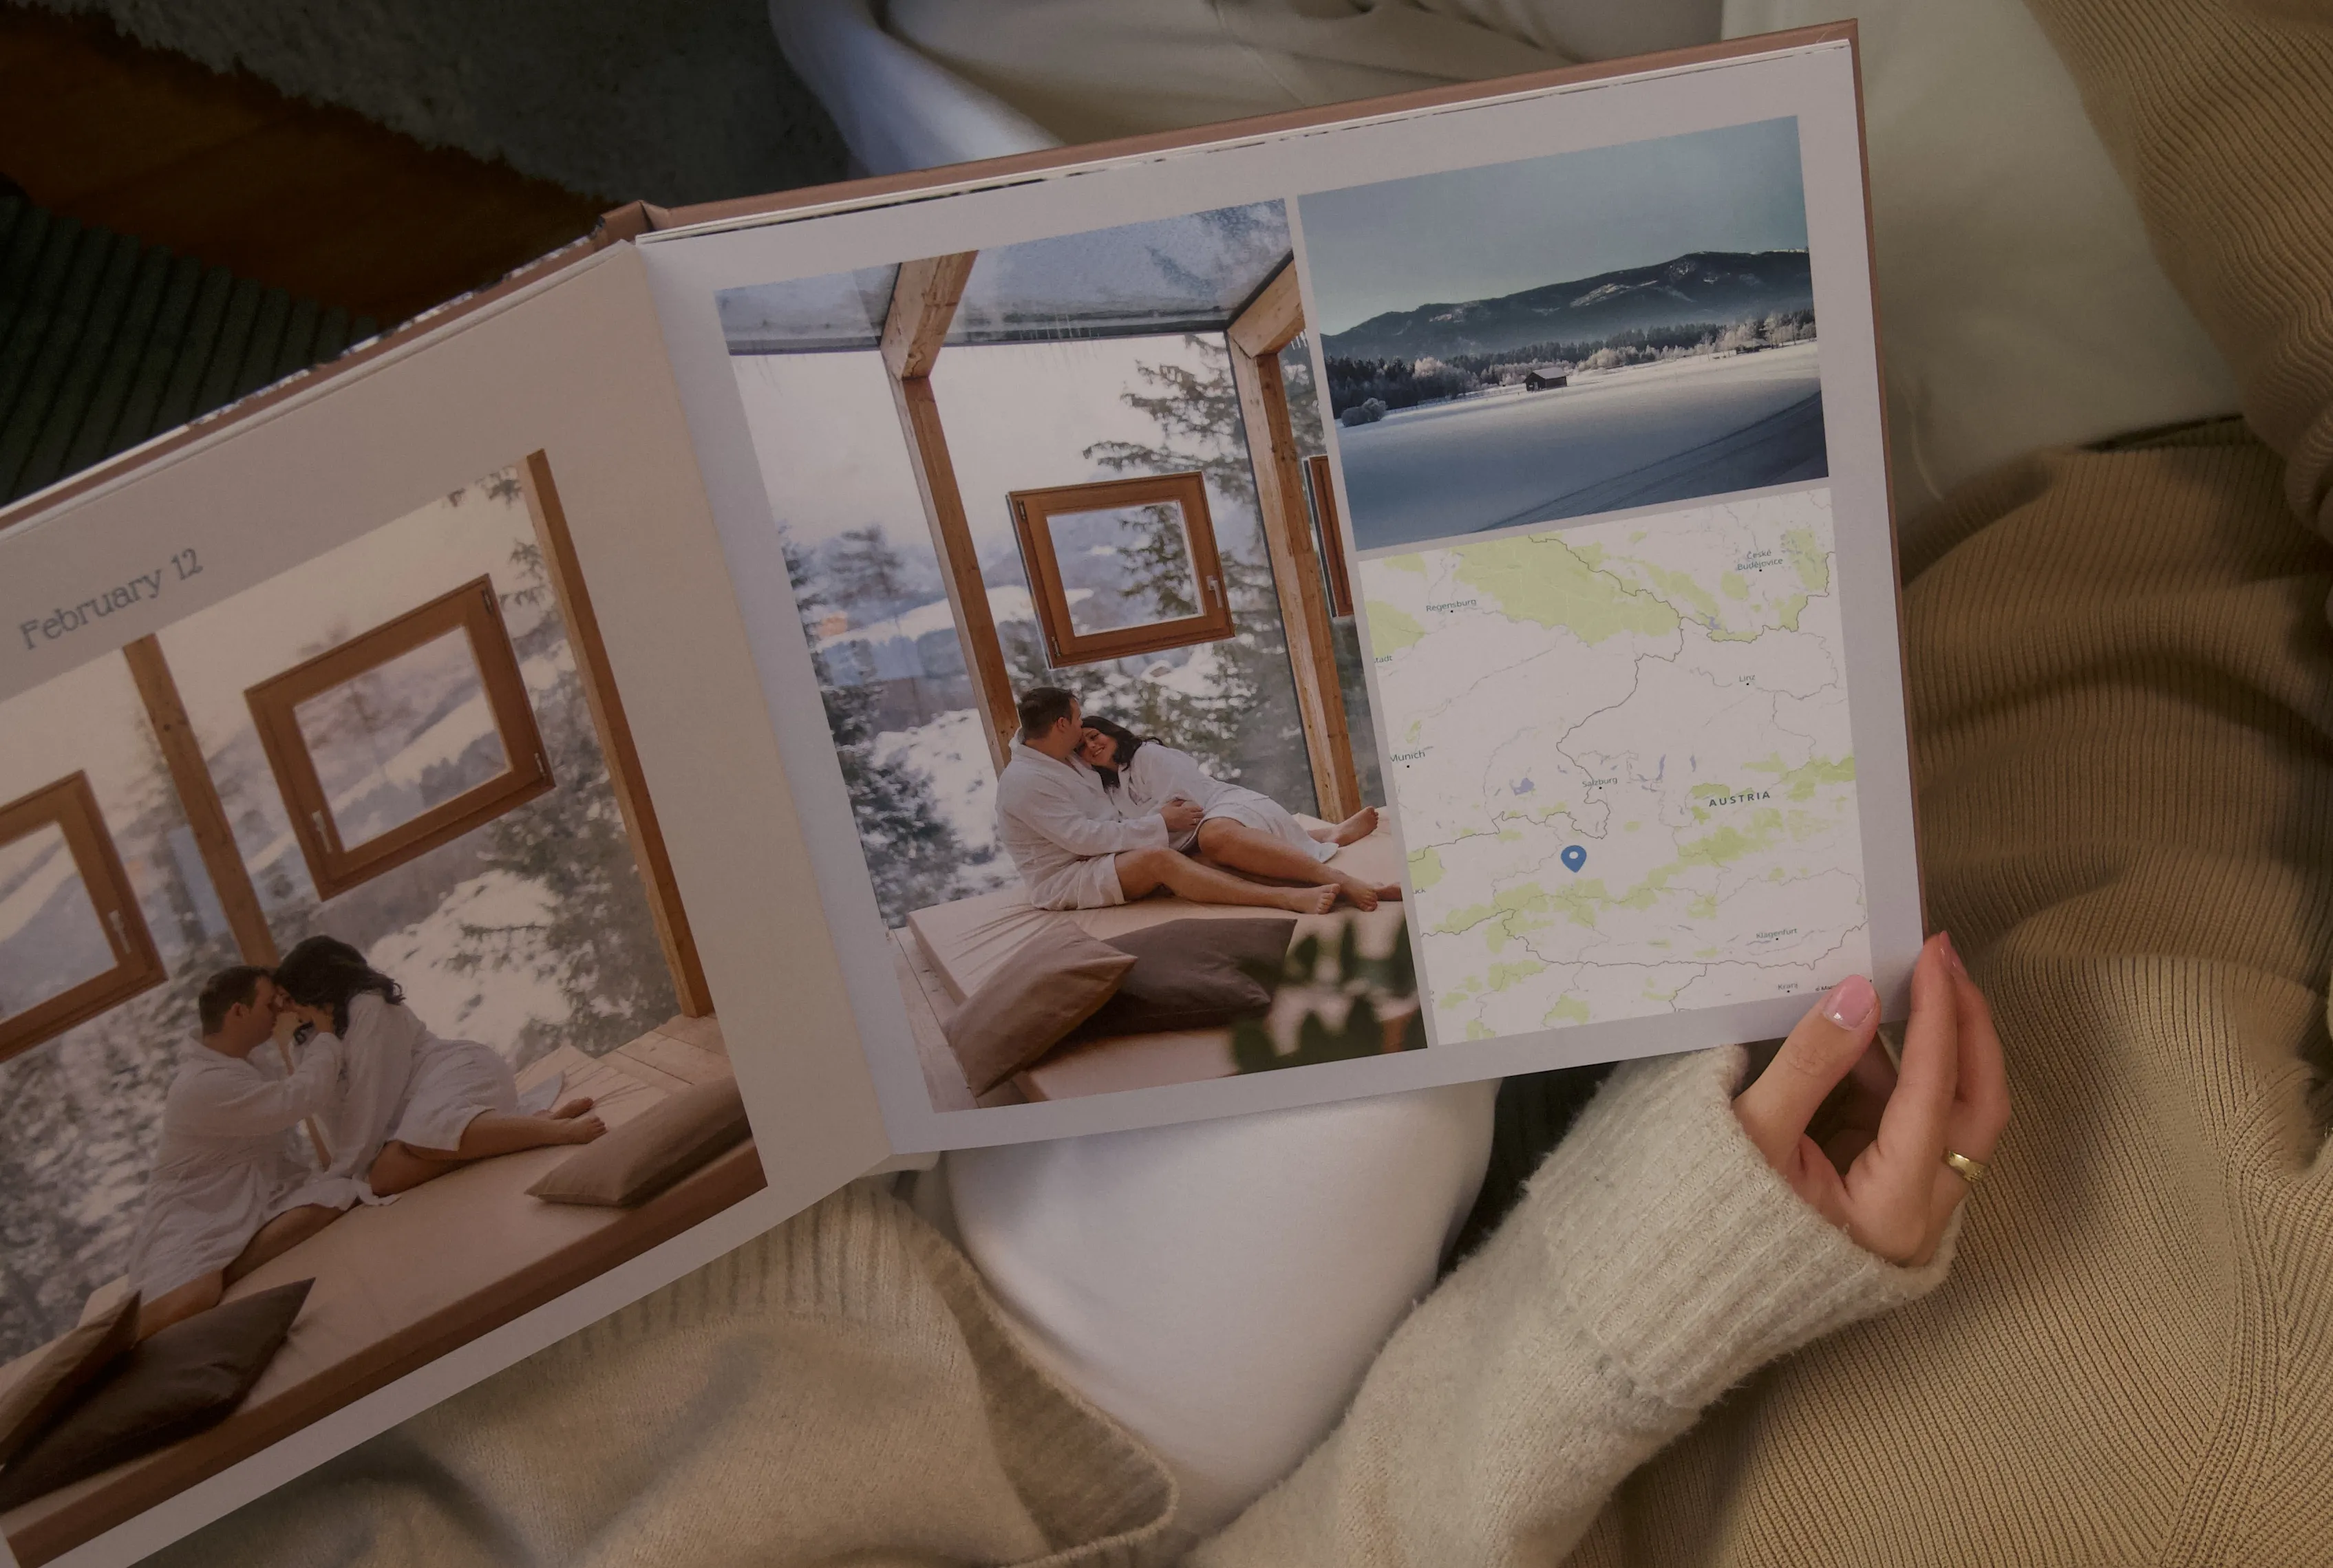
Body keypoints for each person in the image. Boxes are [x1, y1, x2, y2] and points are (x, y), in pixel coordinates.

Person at [125, 967, 365, 1340]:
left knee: (335, 1197)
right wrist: (326, 1037)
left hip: (248, 1193)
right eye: (270, 1005)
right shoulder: (200, 1085)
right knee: (196, 1295)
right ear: (238, 1011)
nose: (278, 1014)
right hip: (194, 1208)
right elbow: (292, 1101)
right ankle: (114, 1347)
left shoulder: (244, 1063)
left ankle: (230, 1264)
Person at [271, 937, 605, 1198]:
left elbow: (372, 1094)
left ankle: (555, 1133)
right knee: (383, 1178)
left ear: (313, 984)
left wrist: (343, 1173)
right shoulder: (309, 1041)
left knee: (426, 1133)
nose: (286, 1008)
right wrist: (348, 1170)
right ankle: (516, 1129)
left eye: (289, 997)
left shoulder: (370, 1007)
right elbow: (328, 1115)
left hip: (455, 1072)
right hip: (412, 1117)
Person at [992, 685, 1341, 914]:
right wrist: (1161, 822)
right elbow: (1083, 838)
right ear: (1062, 724)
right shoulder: (1025, 782)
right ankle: (1286, 899)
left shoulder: (1062, 754)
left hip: (1104, 850)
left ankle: (1309, 874)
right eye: (1079, 718)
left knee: (1203, 855)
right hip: (1069, 875)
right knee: (1161, 860)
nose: (1084, 727)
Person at [1079, 713, 1399, 911]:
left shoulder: (1149, 755)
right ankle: (1330, 854)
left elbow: (1187, 812)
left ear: (1111, 731)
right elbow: (1153, 827)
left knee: (1214, 839)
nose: (1092, 746)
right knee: (1202, 870)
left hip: (1223, 809)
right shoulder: (1111, 789)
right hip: (1190, 839)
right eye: (1082, 748)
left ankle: (1340, 877)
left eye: (1094, 736)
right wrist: (1159, 819)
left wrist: (1152, 823)